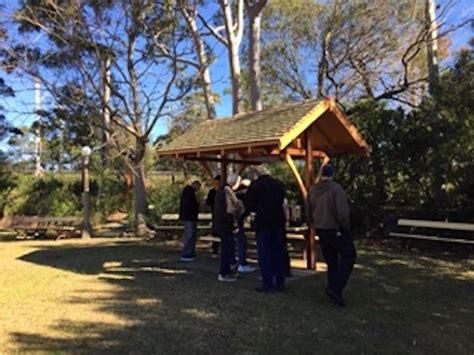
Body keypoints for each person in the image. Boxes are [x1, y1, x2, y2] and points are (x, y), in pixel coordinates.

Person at [307, 163, 356, 307]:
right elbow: (342, 212)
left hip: (321, 228)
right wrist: (346, 226)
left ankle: (333, 288)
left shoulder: (313, 190)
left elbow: (308, 210)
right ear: (332, 174)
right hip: (335, 228)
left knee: (331, 259)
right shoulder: (336, 189)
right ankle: (335, 287)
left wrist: (313, 224)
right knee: (349, 255)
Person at [245, 165, 286, 293]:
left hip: (262, 223)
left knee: (264, 254)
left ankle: (267, 283)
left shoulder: (255, 186)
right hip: (278, 222)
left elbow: (249, 205)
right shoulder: (279, 185)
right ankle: (280, 282)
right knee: (278, 253)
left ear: (256, 174)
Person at [213, 174, 245, 282]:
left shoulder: (221, 190)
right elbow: (232, 208)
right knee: (227, 249)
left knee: (227, 248)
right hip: (226, 225)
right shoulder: (227, 191)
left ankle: (227, 270)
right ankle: (224, 272)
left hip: (222, 224)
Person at [233, 179, 255, 273]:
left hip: (232, 222)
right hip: (237, 222)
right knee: (241, 243)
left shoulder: (234, 194)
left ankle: (234, 262)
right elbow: (248, 208)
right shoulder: (246, 195)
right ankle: (242, 263)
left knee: (234, 243)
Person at [179, 180, 201, 262]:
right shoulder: (189, 192)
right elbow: (190, 205)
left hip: (189, 217)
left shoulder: (189, 192)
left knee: (191, 234)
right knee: (189, 234)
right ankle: (186, 253)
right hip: (189, 217)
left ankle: (190, 252)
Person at [206, 175, 221, 257]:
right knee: (215, 232)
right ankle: (215, 250)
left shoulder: (224, 191)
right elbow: (208, 202)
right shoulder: (212, 191)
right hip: (215, 214)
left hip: (222, 214)